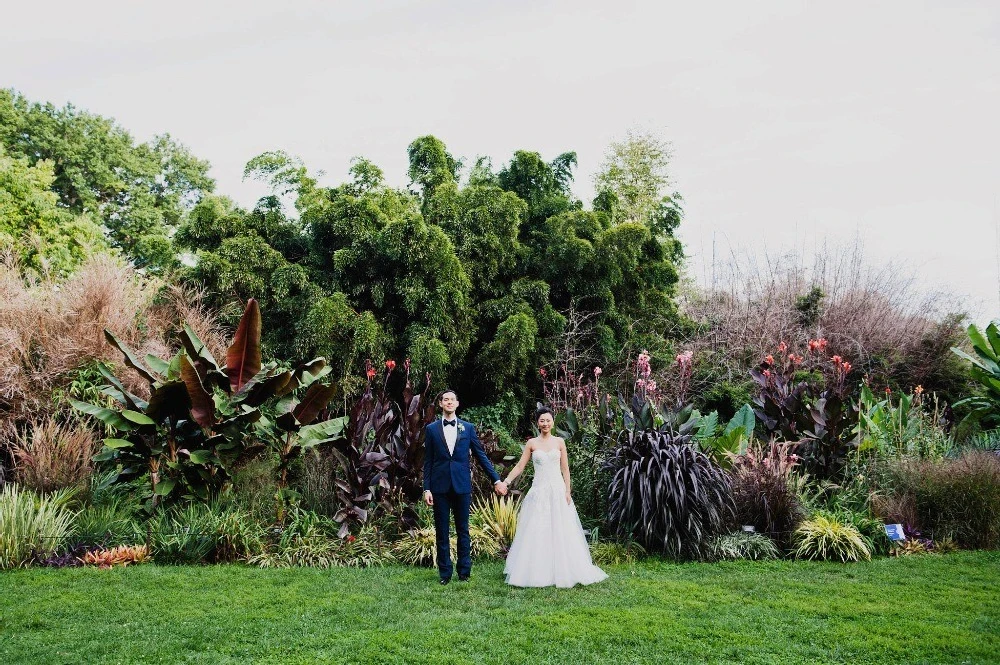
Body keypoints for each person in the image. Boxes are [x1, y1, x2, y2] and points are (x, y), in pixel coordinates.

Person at [501, 406, 608, 588]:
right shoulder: (532, 443)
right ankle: (536, 570)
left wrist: (567, 491)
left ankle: (565, 569)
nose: (545, 423)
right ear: (537, 423)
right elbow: (519, 466)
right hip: (539, 492)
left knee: (561, 529)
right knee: (537, 529)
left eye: (548, 420)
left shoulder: (559, 442)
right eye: (542, 420)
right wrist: (506, 482)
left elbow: (565, 468)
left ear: (553, 422)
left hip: (558, 491)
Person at [423, 388, 508, 585]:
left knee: (463, 530)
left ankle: (464, 572)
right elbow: (428, 461)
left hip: (462, 486)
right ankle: (445, 573)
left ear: (457, 403)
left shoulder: (467, 428)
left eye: (452, 399)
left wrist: (496, 479)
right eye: (445, 400)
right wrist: (427, 488)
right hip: (439, 487)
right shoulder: (431, 429)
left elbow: (481, 456)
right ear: (441, 404)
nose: (449, 402)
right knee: (442, 531)